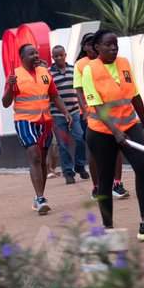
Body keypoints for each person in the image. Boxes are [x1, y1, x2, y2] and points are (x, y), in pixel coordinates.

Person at [82, 29, 144, 242]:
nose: (113, 48)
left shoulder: (123, 64)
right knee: (105, 178)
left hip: (129, 125)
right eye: (108, 45)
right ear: (96, 47)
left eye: (115, 44)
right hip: (102, 131)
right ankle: (108, 228)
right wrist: (115, 132)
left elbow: (135, 95)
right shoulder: (89, 70)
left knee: (143, 166)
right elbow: (97, 106)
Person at [2, 43, 72, 216]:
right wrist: (10, 87)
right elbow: (6, 103)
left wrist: (65, 112)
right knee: (34, 156)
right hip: (24, 121)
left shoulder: (44, 72)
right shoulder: (14, 75)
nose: (36, 56)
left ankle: (38, 197)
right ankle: (41, 199)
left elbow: (54, 95)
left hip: (45, 122)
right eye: (31, 54)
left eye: (36, 53)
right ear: (22, 57)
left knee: (41, 161)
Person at [73, 32, 127, 199]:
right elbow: (79, 91)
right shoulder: (80, 65)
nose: (91, 48)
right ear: (85, 47)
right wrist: (85, 111)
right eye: (88, 45)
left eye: (93, 44)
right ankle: (97, 187)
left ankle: (117, 183)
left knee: (117, 147)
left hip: (112, 114)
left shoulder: (109, 62)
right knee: (94, 151)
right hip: (91, 115)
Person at [49, 45, 89, 185]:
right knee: (63, 144)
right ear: (53, 57)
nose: (59, 58)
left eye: (61, 55)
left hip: (75, 111)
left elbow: (80, 90)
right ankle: (68, 172)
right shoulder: (48, 73)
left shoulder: (74, 69)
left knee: (80, 138)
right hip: (57, 114)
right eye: (56, 56)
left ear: (65, 55)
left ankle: (79, 165)